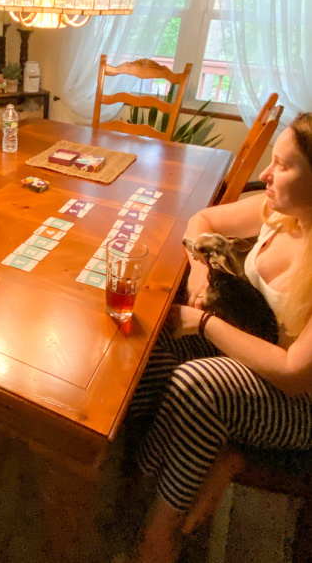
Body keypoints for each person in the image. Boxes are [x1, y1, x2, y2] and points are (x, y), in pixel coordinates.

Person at [125, 112, 312, 563]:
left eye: (283, 166)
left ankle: (158, 538)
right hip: (260, 344)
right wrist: (199, 268)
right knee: (152, 349)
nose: (266, 173)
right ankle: (142, 480)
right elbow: (202, 219)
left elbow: (293, 374)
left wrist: (205, 323)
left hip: (302, 401)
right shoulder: (279, 211)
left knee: (197, 386)